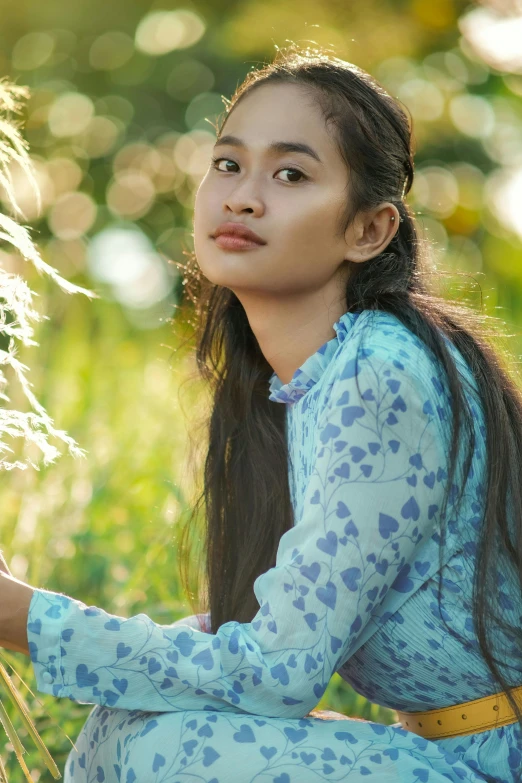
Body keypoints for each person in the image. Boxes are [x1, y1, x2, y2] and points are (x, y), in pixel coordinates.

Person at [1, 44, 522, 782]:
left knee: (166, 749)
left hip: (497, 757)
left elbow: (278, 670)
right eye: (227, 164)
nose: (243, 196)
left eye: (291, 174)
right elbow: (264, 636)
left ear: (368, 230)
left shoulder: (381, 371)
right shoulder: (298, 386)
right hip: (449, 747)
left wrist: (24, 616)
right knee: (136, 712)